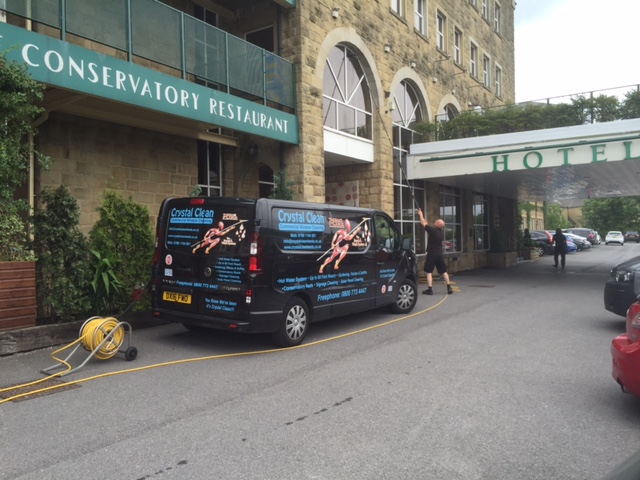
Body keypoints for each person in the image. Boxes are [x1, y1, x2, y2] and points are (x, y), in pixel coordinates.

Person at [417, 208, 453, 295]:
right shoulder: (440, 232)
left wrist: (420, 214)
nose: (435, 221)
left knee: (429, 271)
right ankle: (449, 287)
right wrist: (425, 222)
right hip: (439, 254)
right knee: (443, 271)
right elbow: (426, 225)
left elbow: (423, 223)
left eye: (436, 221)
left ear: (437, 224)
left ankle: (430, 289)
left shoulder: (433, 231)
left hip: (432, 254)